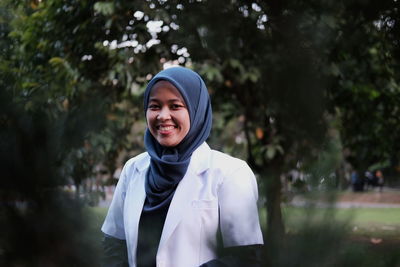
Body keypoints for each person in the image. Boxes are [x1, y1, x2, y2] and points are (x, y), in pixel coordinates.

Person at [101, 67, 264, 267]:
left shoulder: (230, 173)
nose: (163, 116)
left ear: (196, 111)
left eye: (175, 106)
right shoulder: (133, 168)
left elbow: (246, 259)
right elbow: (114, 245)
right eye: (154, 106)